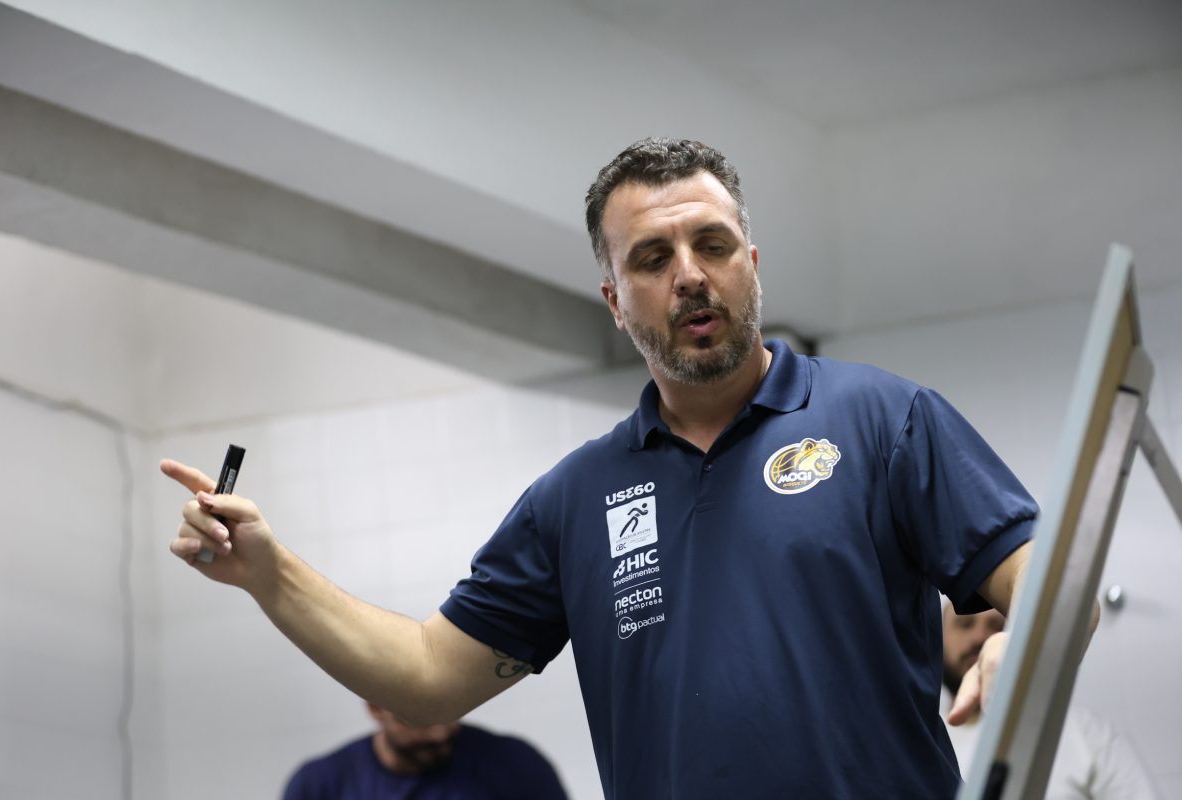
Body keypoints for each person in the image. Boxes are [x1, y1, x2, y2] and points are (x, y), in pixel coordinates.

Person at [163, 137, 1088, 798]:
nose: (690, 274)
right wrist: (269, 574)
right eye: (653, 257)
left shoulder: (884, 420)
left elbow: (1058, 583)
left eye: (712, 245)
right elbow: (426, 675)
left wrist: (1022, 642)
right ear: (615, 299)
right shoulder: (575, 500)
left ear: (751, 265)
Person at [941, 604, 1157, 799]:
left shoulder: (1084, 730)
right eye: (964, 624)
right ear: (937, 640)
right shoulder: (926, 742)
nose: (980, 637)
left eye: (997, 625)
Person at [282, 701, 568, 799]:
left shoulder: (515, 764)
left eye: (450, 713)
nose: (440, 733)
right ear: (375, 708)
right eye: (418, 720)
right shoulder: (319, 786)